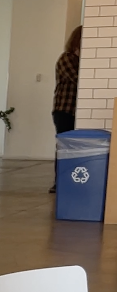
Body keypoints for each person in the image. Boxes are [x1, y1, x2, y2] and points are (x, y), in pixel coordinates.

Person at [51, 25, 82, 191]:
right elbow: (80, 80)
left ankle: (70, 180)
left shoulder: (78, 60)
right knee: (64, 147)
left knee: (72, 147)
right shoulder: (67, 58)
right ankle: (59, 183)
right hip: (64, 110)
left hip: (73, 110)